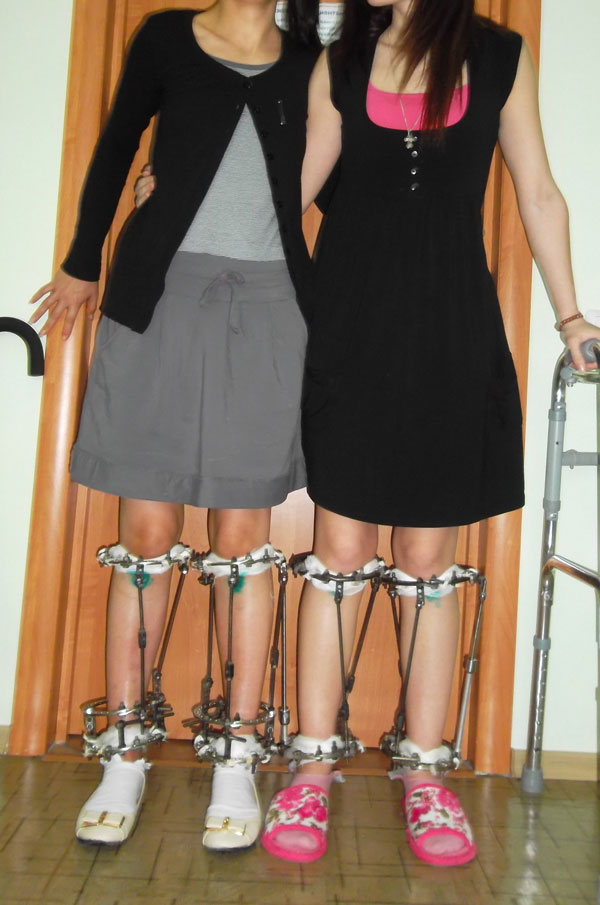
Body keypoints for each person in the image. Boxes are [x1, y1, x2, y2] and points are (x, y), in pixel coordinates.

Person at [258, 0, 600, 867]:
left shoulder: (498, 56)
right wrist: (183, 195)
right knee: (338, 549)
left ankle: (425, 771)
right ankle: (311, 764)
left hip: (452, 330)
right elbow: (286, 192)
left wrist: (571, 316)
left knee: (426, 558)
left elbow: (539, 190)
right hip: (350, 328)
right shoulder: (340, 62)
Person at [28, 0, 320, 850]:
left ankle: (236, 755)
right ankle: (125, 752)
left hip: (269, 304)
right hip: (159, 292)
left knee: (243, 539)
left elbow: (339, 177)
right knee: (146, 533)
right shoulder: (164, 36)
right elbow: (117, 143)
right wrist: (82, 262)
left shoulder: (315, 61)